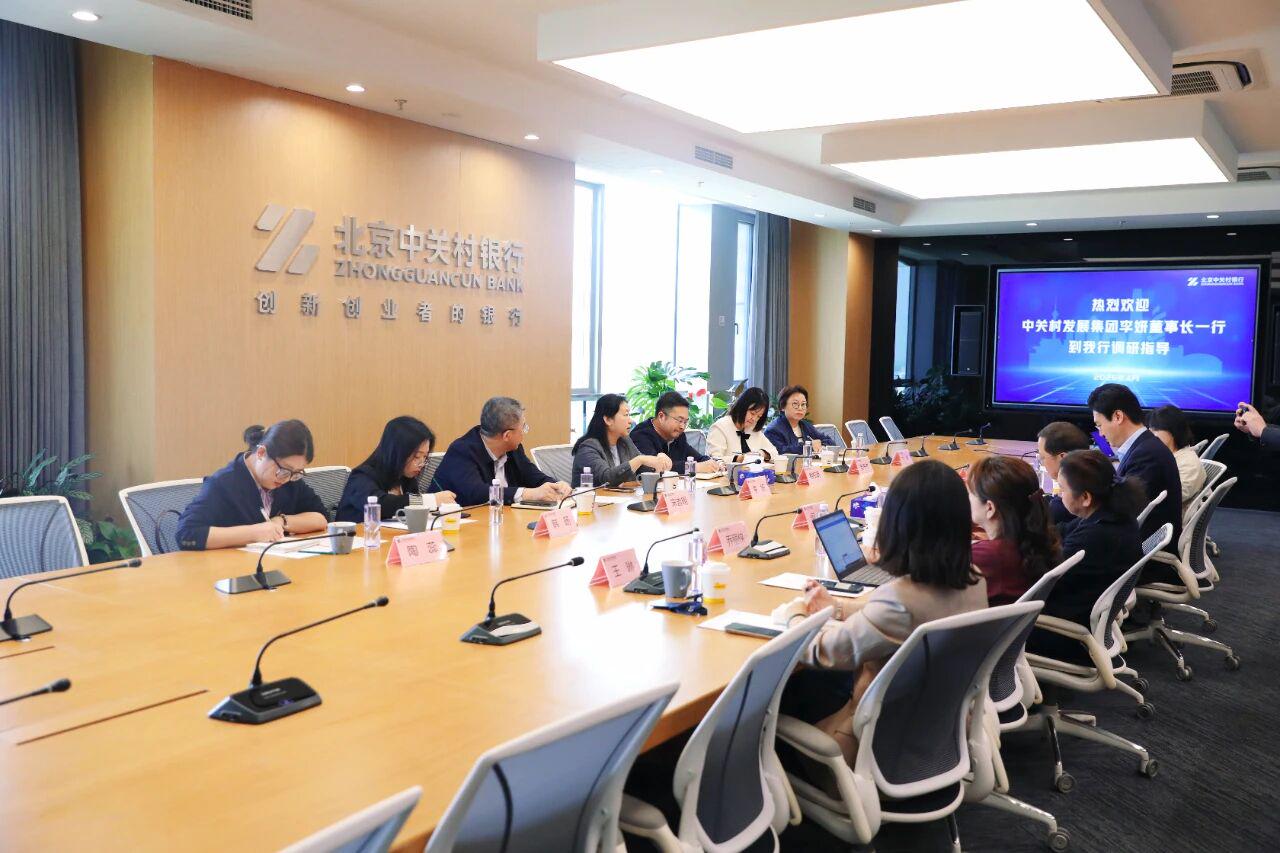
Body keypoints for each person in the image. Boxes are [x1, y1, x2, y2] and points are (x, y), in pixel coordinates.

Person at [777, 460, 988, 766]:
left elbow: (823, 653)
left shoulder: (898, 600)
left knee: (783, 701)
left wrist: (794, 615)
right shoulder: (974, 579)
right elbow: (895, 615)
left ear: (898, 524)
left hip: (875, 747)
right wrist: (836, 608)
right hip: (938, 734)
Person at [1025, 449, 1144, 664]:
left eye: (1062, 489)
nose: (1059, 495)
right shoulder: (1112, 516)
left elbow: (1042, 578)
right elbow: (1064, 530)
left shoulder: (1095, 536)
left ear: (1086, 497)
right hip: (1085, 616)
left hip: (1066, 633)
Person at [177, 421, 328, 550]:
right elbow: (186, 535)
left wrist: (281, 521)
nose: (286, 479)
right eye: (283, 470)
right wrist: (255, 533)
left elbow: (321, 518)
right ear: (261, 453)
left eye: (296, 473)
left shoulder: (289, 478)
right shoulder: (224, 483)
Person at [1088, 383, 1181, 548]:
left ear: (1118, 416)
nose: (1100, 434)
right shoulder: (1145, 446)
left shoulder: (1146, 455)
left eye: (1100, 425)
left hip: (1141, 548)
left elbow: (1122, 510)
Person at [435, 397, 571, 506]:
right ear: (507, 436)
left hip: (503, 520)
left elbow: (534, 476)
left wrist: (556, 486)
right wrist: (529, 494)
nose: (524, 432)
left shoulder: (513, 449)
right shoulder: (462, 451)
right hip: (456, 524)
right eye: (523, 427)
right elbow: (478, 493)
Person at [967, 455, 1061, 605]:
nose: (967, 498)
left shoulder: (986, 555)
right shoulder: (1034, 538)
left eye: (970, 493)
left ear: (990, 508)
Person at [335, 416, 456, 523]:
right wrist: (431, 499)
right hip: (357, 539)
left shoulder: (407, 477)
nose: (421, 464)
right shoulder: (361, 476)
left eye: (425, 457)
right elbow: (381, 505)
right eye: (416, 456)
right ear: (396, 453)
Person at [570, 394, 672, 488]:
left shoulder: (624, 441)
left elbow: (642, 469)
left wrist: (659, 461)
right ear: (608, 420)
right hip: (591, 501)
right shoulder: (588, 448)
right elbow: (607, 479)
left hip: (620, 500)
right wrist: (640, 459)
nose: (630, 421)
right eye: (626, 415)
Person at [630, 391, 722, 474]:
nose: (682, 426)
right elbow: (655, 468)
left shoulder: (678, 435)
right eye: (679, 420)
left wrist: (715, 464)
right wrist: (694, 467)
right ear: (661, 416)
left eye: (685, 422)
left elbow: (699, 458)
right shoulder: (640, 435)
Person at [1147, 405, 1206, 513]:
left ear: (1173, 431)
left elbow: (1172, 498)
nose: (1151, 433)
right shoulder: (1166, 455)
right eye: (1150, 428)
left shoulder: (1188, 463)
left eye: (1155, 429)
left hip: (1165, 519)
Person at [1036, 421, 1091, 525]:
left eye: (1042, 457)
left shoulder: (1061, 509)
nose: (1042, 463)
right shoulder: (1091, 482)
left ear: (1063, 458)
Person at [706, 387, 780, 462]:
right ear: (742, 406)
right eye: (752, 413)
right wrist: (740, 458)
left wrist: (760, 453)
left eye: (759, 416)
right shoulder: (720, 427)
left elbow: (774, 453)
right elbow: (714, 460)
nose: (754, 419)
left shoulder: (753, 429)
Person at [764, 384, 826, 457]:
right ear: (783, 406)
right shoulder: (773, 430)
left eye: (803, 404)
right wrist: (809, 447)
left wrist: (821, 445)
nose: (800, 408)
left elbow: (829, 441)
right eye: (795, 404)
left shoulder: (806, 426)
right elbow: (780, 451)